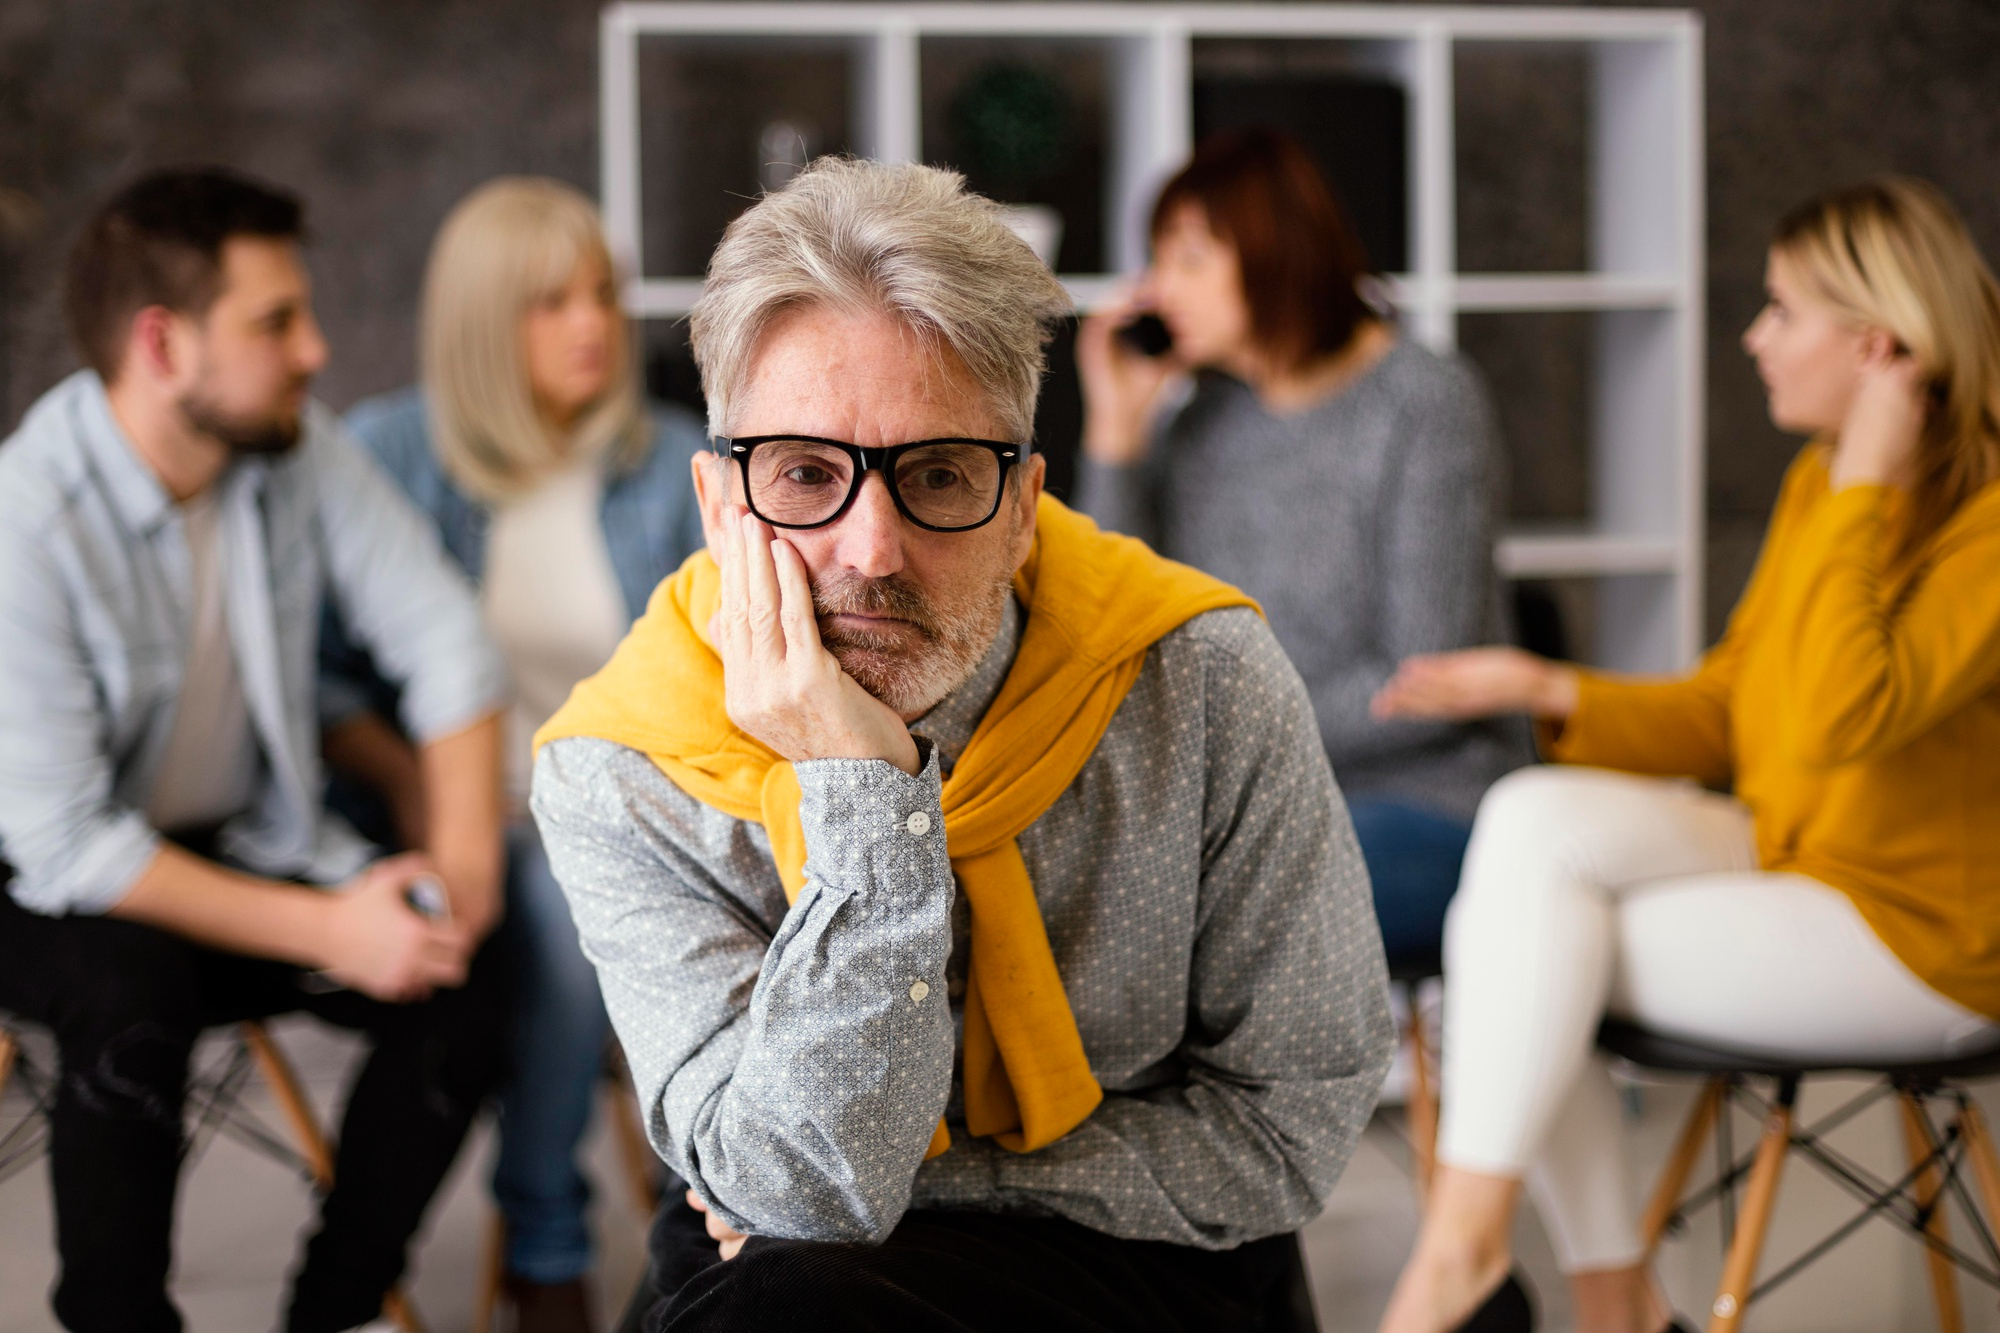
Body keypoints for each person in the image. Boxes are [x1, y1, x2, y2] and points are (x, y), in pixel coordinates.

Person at [528, 156, 1395, 1331]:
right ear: (717, 504)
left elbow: (1289, 1126)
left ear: (1025, 501)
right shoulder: (622, 769)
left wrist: (948, 1179)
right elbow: (798, 1194)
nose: (870, 550)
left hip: (1149, 1254)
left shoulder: (1197, 676)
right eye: (803, 474)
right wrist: (859, 793)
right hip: (778, 1266)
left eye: (938, 473)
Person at [1369, 177, 2000, 1333]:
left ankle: (1500, 1271)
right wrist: (1545, 686)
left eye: (1779, 311)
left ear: (1874, 343)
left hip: (1920, 935)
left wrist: (1867, 484)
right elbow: (1733, 711)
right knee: (1526, 821)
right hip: (1791, 851)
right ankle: (1571, 1289)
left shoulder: (1966, 519)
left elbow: (1846, 715)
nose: (1754, 338)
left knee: (1516, 955)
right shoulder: (1820, 485)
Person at [0, 168, 511, 1333]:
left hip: (237, 841)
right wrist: (336, 930)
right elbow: (67, 844)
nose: (316, 349)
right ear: (162, 344)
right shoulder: (23, 518)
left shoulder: (294, 449)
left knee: (466, 967)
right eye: (276, 321)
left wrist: (464, 873)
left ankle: (330, 1312)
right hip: (46, 882)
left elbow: (444, 640)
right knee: (130, 981)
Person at [321, 177, 707, 1332]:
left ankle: (715, 1208)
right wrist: (413, 786)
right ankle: (546, 1238)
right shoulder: (380, 452)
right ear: (482, 321)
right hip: (455, 818)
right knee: (556, 908)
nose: (593, 324)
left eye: (600, 292)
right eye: (550, 302)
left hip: (638, 813)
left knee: (591, 891)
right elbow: (323, 682)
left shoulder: (674, 462)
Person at [1074, 128, 1531, 965]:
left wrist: (1227, 751)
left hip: (1427, 799)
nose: (1154, 288)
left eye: (1188, 259)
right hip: (1251, 801)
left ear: (1273, 250)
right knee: (1084, 887)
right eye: (1156, 259)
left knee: (1175, 918)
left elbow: (1423, 674)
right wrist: (1117, 426)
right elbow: (1112, 609)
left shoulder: (1422, 404)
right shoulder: (1203, 423)